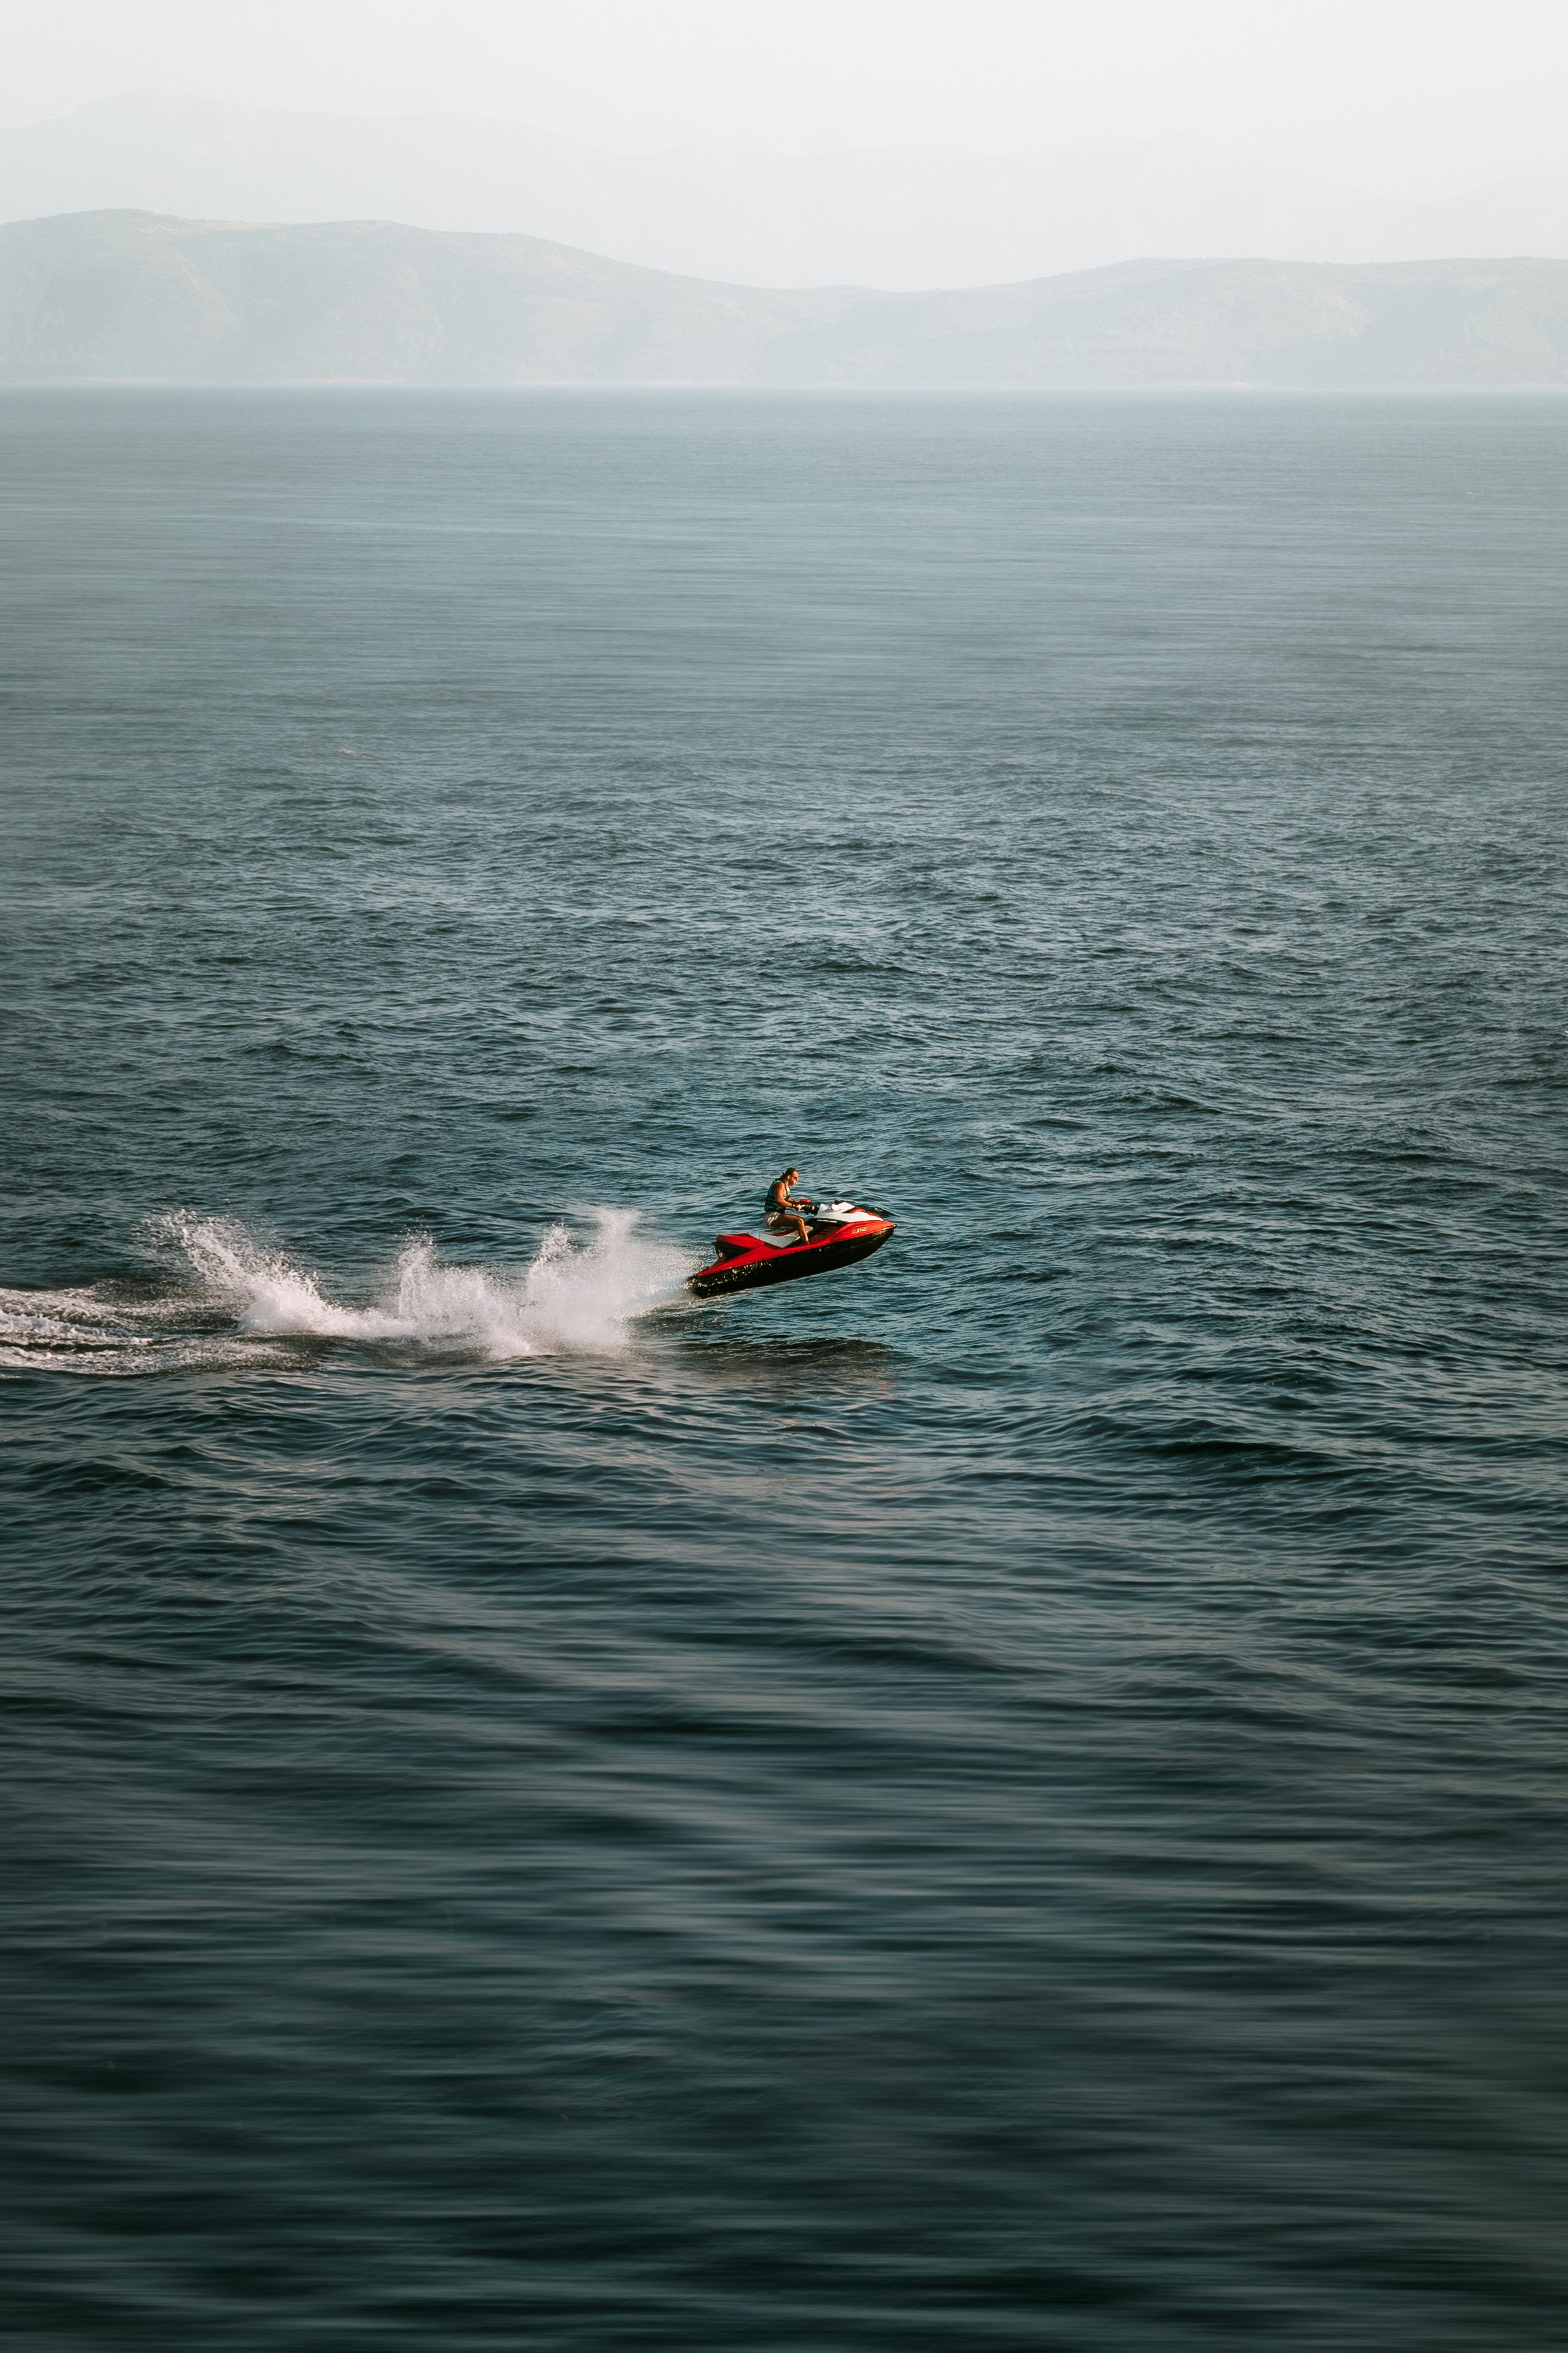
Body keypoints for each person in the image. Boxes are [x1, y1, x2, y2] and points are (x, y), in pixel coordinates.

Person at [764, 1167, 816, 1247]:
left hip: (778, 1215)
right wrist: (794, 1206)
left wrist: (797, 1202)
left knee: (803, 1222)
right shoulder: (780, 1184)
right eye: (795, 1178)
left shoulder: (786, 1186)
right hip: (772, 1216)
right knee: (799, 1221)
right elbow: (779, 1200)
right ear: (789, 1177)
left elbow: (786, 1199)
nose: (797, 1180)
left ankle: (794, 1244)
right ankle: (807, 1246)